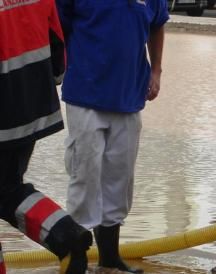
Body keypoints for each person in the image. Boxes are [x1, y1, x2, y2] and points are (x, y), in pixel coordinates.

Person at [55, 0, 169, 272]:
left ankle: (109, 258)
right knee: (85, 174)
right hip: (85, 94)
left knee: (119, 178)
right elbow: (58, 27)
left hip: (128, 95)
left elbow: (157, 24)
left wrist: (156, 70)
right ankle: (77, 257)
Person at [0, 0, 93, 273]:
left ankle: (67, 238)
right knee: (9, 190)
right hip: (32, 109)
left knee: (8, 191)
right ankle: (67, 236)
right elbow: (57, 47)